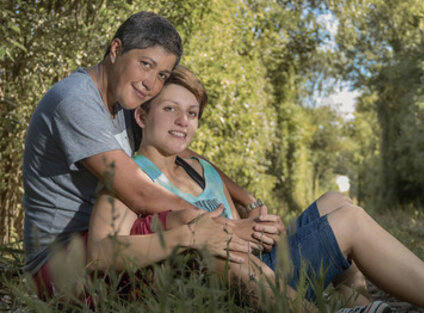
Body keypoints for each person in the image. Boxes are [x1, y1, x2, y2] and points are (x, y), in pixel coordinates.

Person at [89, 65, 424, 313]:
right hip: (218, 289)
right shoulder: (130, 178)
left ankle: (357, 306)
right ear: (142, 115)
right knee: (348, 221)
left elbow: (243, 231)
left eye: (191, 113)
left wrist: (262, 224)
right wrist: (189, 236)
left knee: (336, 201)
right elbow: (100, 254)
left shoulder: (201, 166)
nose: (182, 122)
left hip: (259, 272)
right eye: (169, 109)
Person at [23, 11, 266, 300]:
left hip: (111, 235)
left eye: (162, 74)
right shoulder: (76, 102)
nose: (151, 83)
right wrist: (224, 225)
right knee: (187, 223)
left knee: (198, 231)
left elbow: (187, 154)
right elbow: (139, 192)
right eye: (145, 64)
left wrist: (247, 199)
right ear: (116, 50)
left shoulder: (124, 102)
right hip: (62, 262)